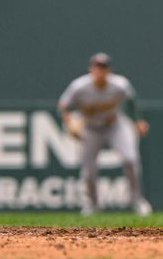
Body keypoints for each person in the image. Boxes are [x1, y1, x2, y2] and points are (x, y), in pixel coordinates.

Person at [58, 53, 152, 216]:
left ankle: (137, 201)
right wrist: (69, 122)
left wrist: (138, 121)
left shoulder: (119, 84)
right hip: (90, 127)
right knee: (89, 171)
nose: (100, 71)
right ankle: (93, 205)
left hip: (114, 125)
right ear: (91, 69)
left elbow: (131, 101)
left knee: (130, 159)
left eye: (103, 67)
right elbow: (63, 105)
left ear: (109, 70)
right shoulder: (79, 86)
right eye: (97, 67)